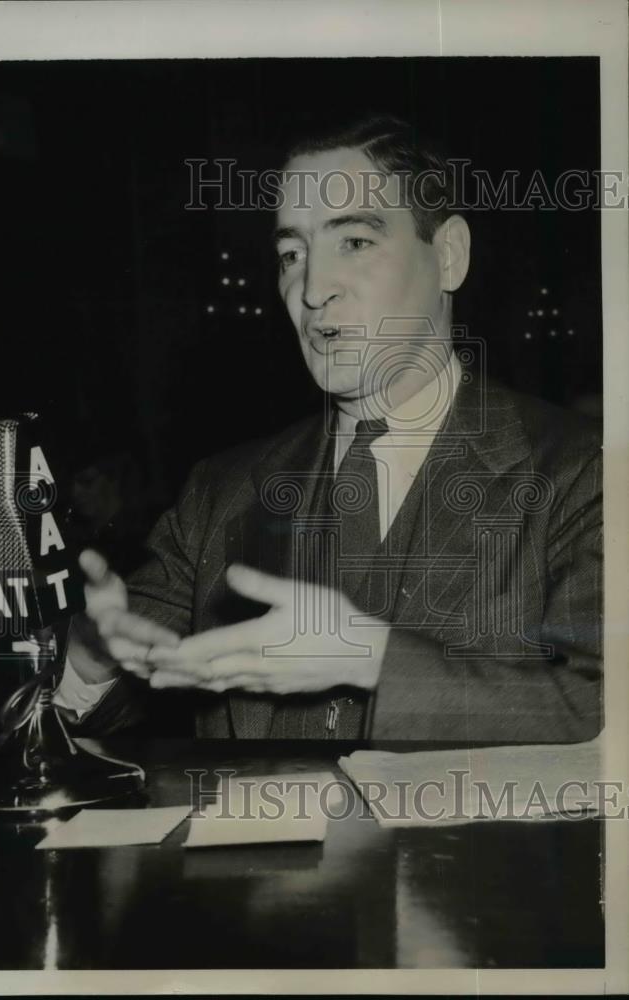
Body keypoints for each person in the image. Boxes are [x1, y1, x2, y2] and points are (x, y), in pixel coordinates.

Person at [54, 115, 602, 742]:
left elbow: (604, 717)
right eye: (292, 254)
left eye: (355, 243)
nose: (313, 289)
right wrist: (95, 654)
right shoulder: (218, 493)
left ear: (448, 256)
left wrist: (370, 658)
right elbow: (92, 723)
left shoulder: (583, 471)